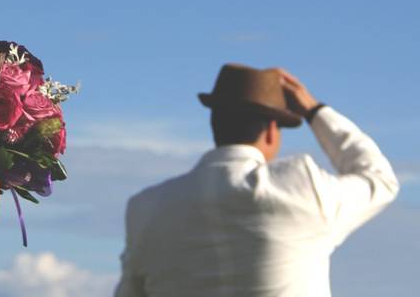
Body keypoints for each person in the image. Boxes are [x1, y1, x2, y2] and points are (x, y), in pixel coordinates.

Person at [115, 64, 399, 297]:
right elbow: (380, 179)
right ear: (271, 131)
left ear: (215, 125)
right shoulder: (302, 188)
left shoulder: (146, 208)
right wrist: (314, 110)